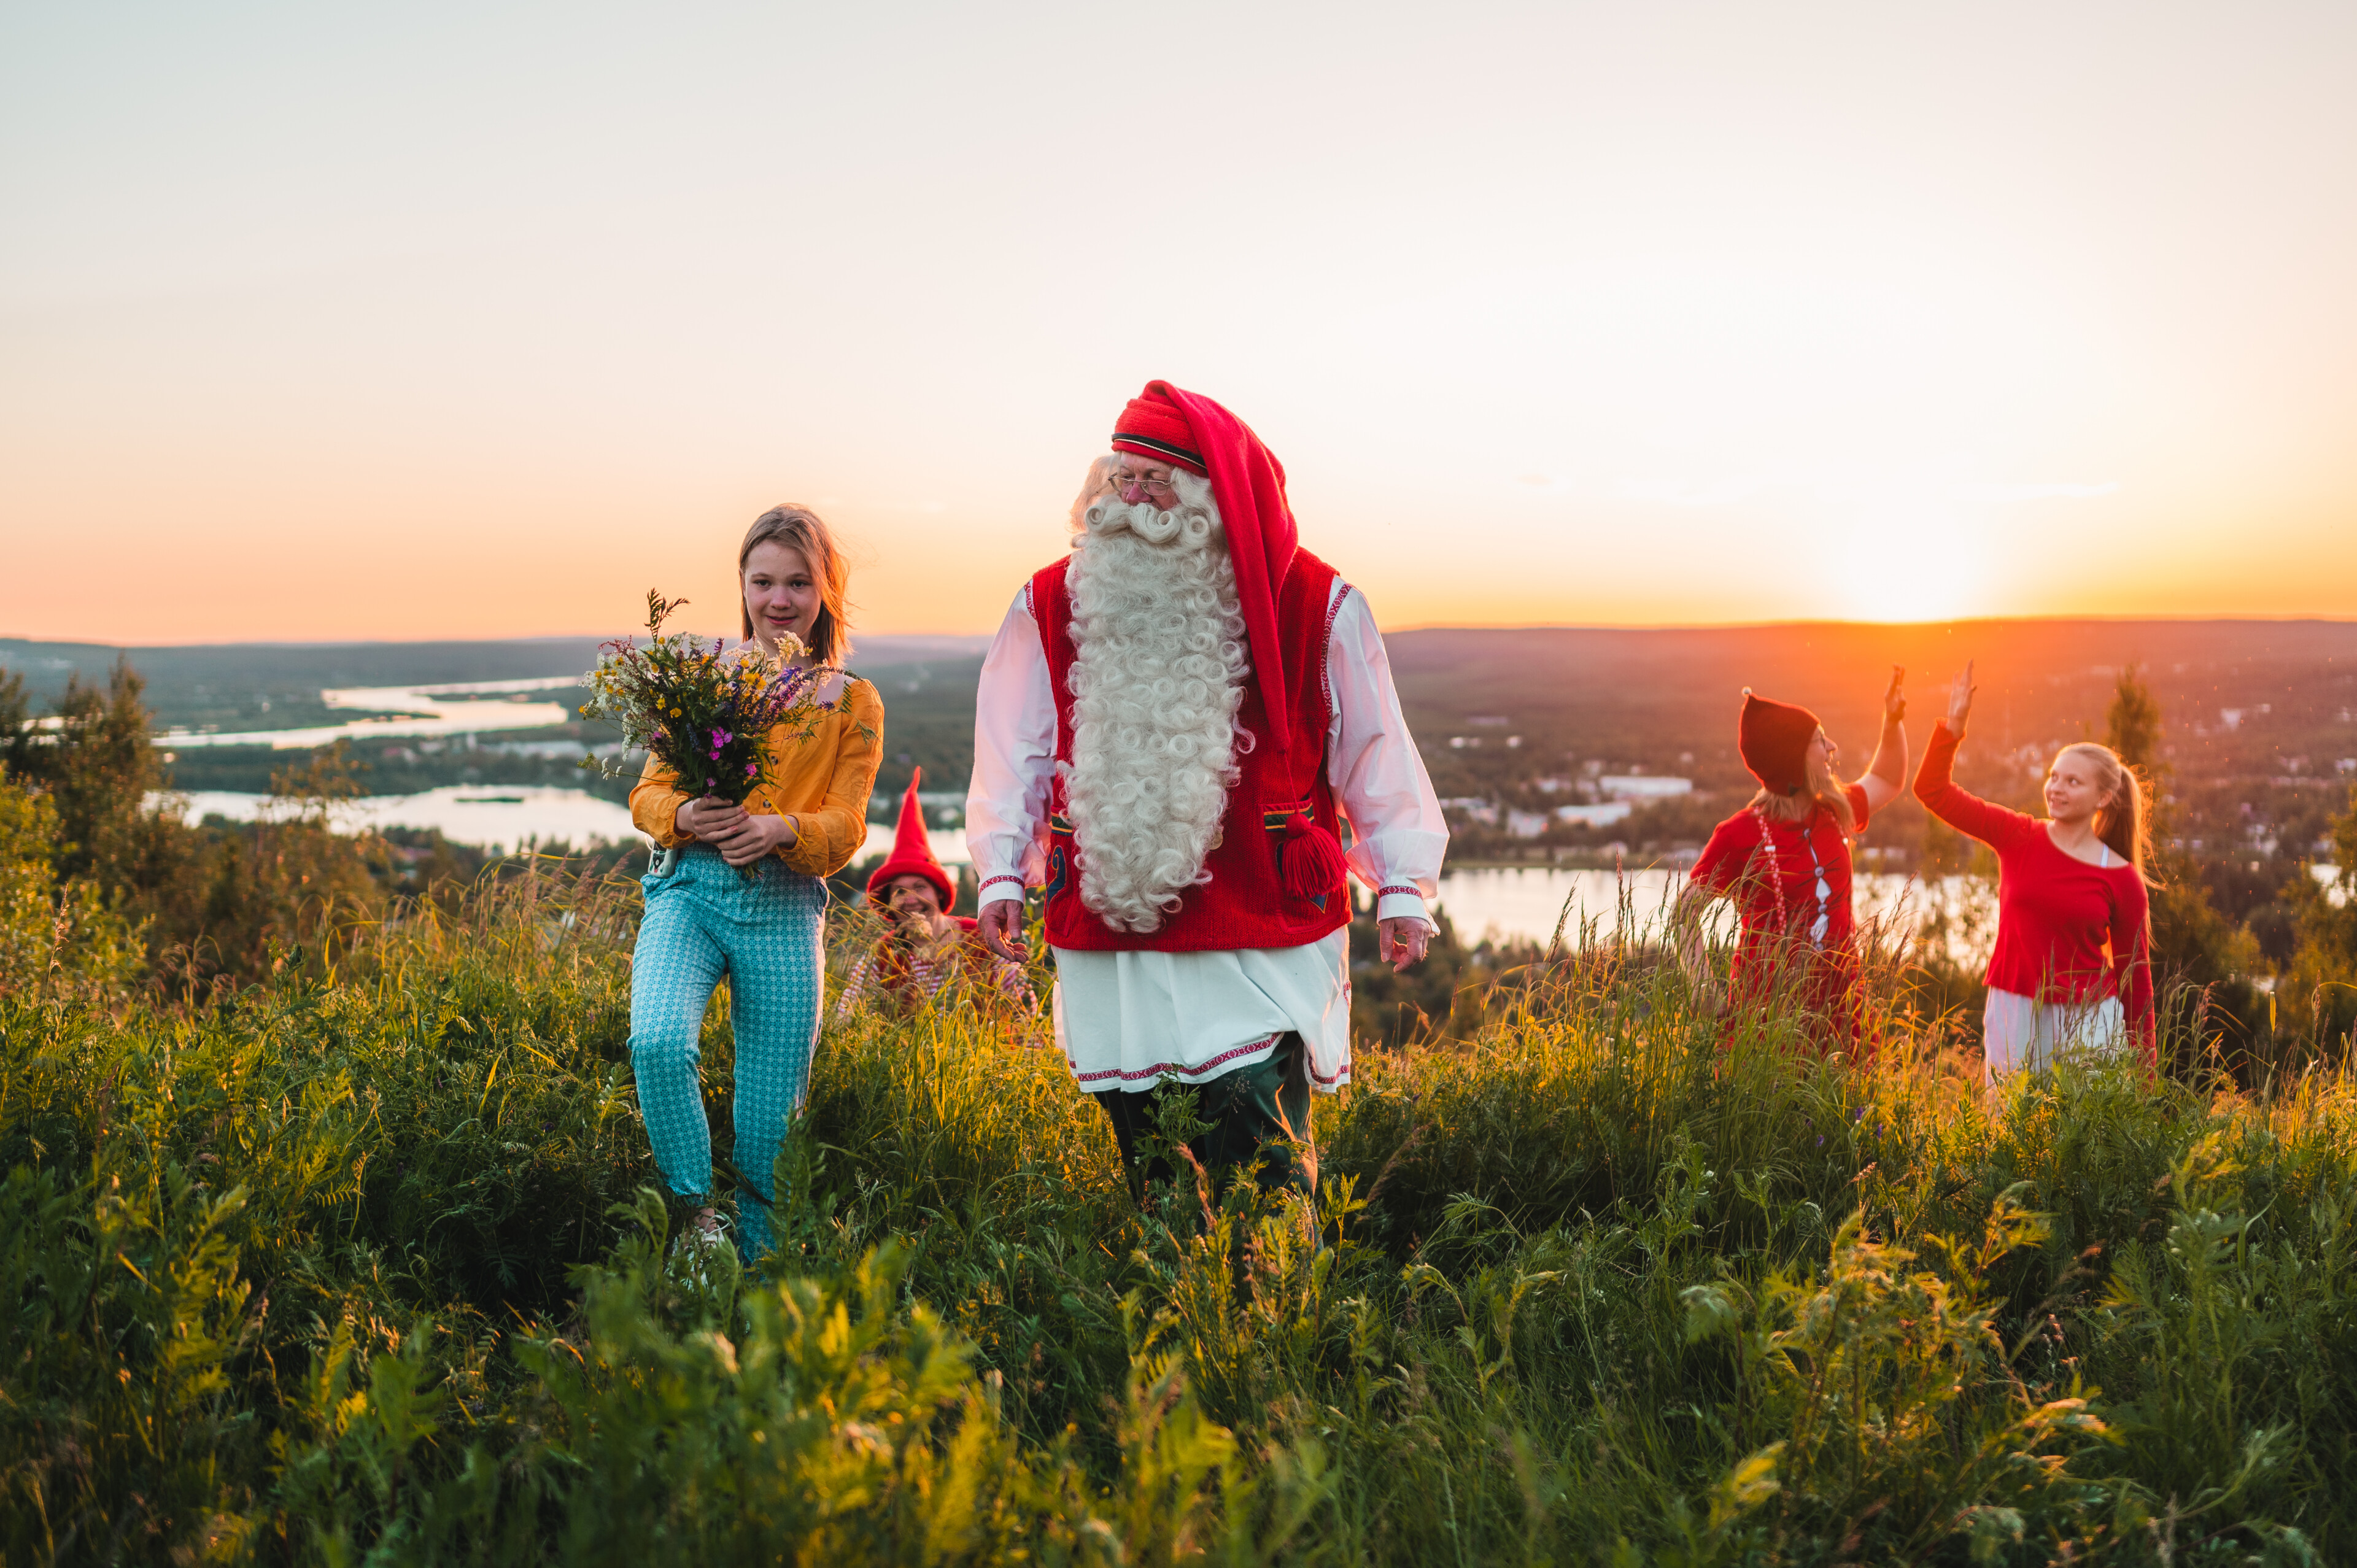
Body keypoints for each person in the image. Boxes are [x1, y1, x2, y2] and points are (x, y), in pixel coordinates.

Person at [966, 380, 1447, 1206]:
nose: (1137, 501)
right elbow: (1014, 747)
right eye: (1124, 479)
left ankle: (1276, 1320)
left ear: (1209, 498)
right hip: (1114, 934)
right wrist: (1002, 870)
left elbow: (1372, 746)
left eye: (1159, 483)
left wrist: (1401, 883)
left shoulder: (1319, 602)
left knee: (1260, 1145)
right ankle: (1171, 1313)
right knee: (1150, 1152)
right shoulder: (1048, 599)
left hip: (1256, 928)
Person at [627, 504, 883, 1262]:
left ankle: (762, 1279)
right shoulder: (705, 679)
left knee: (772, 1121)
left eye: (798, 582)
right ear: (742, 585)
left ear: (825, 590)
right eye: (763, 580)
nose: (779, 599)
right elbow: (647, 794)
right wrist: (689, 813)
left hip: (781, 908)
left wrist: (780, 829)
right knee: (658, 1040)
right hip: (690, 895)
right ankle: (698, 1225)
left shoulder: (852, 701)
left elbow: (848, 824)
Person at [1913, 660, 2156, 1083]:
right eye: (2053, 776)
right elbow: (1932, 790)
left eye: (2073, 782)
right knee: (2007, 1130)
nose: (2056, 788)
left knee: (2084, 1135)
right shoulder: (2018, 835)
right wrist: (1953, 725)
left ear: (2104, 797)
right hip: (2014, 1007)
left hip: (2090, 1020)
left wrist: (2145, 1074)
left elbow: (2137, 982)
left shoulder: (2121, 877)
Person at [1676, 671, 1910, 1056]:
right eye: (1820, 740)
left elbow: (1888, 777)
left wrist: (1894, 720)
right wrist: (1706, 995)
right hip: (1769, 1026)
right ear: (1793, 759)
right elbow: (1685, 911)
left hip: (1842, 1017)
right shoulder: (1740, 834)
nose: (1832, 747)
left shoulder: (1835, 809)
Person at [834, 769, 1035, 1024]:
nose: (911, 900)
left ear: (939, 892)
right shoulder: (883, 954)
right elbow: (846, 1014)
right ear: (889, 903)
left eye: (920, 888)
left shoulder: (981, 937)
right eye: (900, 892)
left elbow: (1023, 1012)